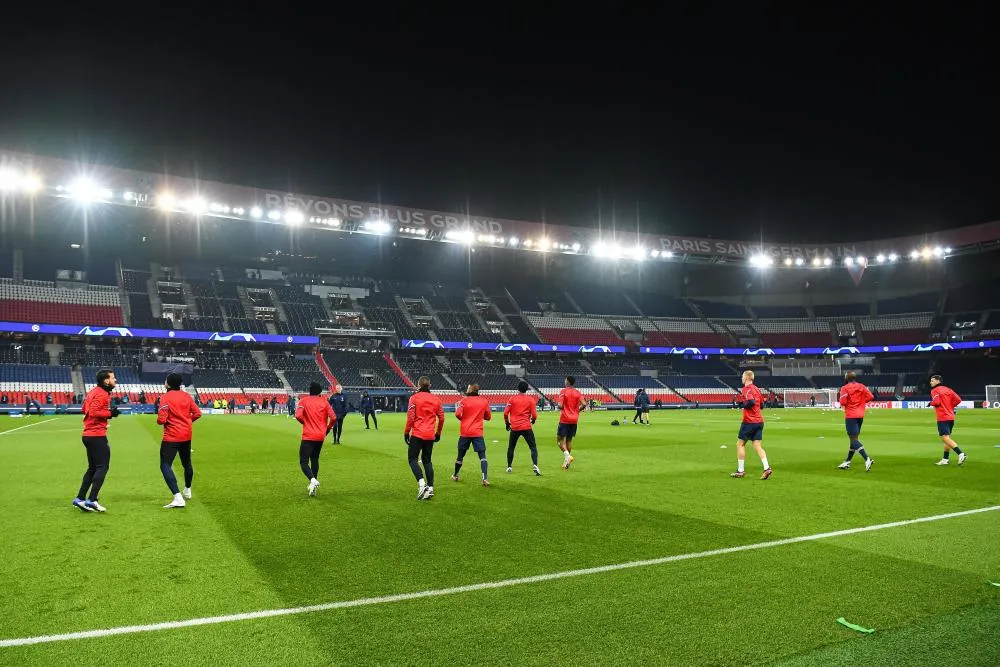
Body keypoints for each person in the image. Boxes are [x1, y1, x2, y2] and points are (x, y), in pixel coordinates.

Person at [72, 369, 119, 512]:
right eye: (113, 378)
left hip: (88, 434)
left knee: (92, 468)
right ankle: (92, 500)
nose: (115, 380)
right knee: (102, 467)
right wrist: (110, 413)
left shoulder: (92, 392)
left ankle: (80, 499)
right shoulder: (102, 394)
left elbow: (84, 409)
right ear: (106, 380)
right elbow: (93, 412)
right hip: (96, 435)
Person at [157, 373, 202, 508]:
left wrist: (163, 421)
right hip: (186, 435)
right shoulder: (186, 396)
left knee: (165, 465)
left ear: (168, 384)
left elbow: (161, 420)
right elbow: (198, 413)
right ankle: (187, 490)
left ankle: (177, 497)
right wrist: (187, 421)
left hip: (171, 436)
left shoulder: (165, 397)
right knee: (186, 463)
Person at [403, 376, 444, 500]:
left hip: (418, 434)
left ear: (418, 385)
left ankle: (422, 485)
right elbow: (441, 418)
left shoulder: (414, 398)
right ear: (429, 385)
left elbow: (410, 417)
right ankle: (430, 488)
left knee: (412, 459)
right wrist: (438, 433)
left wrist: (406, 432)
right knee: (427, 460)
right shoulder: (436, 400)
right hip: (430, 435)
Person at [295, 382, 337, 496]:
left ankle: (312, 480)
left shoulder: (303, 401)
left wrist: (306, 423)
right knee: (314, 458)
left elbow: (298, 415)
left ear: (310, 390)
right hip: (320, 436)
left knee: (303, 461)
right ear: (319, 391)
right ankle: (313, 486)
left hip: (308, 435)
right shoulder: (324, 401)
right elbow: (333, 417)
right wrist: (327, 429)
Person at [730, 370, 773, 479]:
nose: (741, 379)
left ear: (746, 378)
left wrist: (742, 404)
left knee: (740, 444)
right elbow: (762, 405)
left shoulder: (747, 389)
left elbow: (751, 402)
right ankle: (767, 468)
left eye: (742, 377)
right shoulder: (757, 389)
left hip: (749, 422)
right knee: (758, 446)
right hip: (759, 421)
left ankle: (740, 471)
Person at [451, 384, 493, 487]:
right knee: (482, 457)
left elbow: (457, 414)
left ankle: (456, 475)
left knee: (460, 456)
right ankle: (485, 478)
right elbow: (488, 417)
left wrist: (464, 420)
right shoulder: (484, 401)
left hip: (465, 432)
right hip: (477, 432)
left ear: (470, 390)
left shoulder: (464, 401)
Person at [837, 371, 875, 472]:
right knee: (853, 439)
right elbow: (871, 397)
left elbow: (843, 402)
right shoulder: (862, 386)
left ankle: (867, 459)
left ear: (846, 378)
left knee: (854, 439)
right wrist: (862, 402)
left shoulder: (844, 388)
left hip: (851, 415)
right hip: (860, 415)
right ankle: (847, 461)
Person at [504, 380, 541, 475]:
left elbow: (505, 413)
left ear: (518, 389)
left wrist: (507, 423)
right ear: (526, 390)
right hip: (526, 427)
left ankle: (509, 467)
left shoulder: (512, 399)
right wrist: (533, 420)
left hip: (515, 427)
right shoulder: (531, 400)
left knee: (511, 447)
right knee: (533, 447)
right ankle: (535, 466)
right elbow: (534, 415)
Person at [929, 374, 966, 466]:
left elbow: (937, 402)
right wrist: (950, 407)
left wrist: (930, 403)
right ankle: (945, 459)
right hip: (951, 416)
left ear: (938, 381)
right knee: (947, 438)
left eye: (932, 380)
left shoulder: (935, 390)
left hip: (943, 417)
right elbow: (958, 400)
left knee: (944, 438)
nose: (931, 382)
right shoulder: (948, 389)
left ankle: (961, 453)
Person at [556, 376, 586, 470]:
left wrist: (559, 406)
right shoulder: (577, 392)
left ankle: (568, 456)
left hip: (565, 419)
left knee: (560, 440)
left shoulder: (563, 391)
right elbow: (584, 404)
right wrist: (577, 411)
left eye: (565, 379)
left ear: (567, 381)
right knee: (569, 440)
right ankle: (566, 463)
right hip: (574, 419)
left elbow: (560, 405)